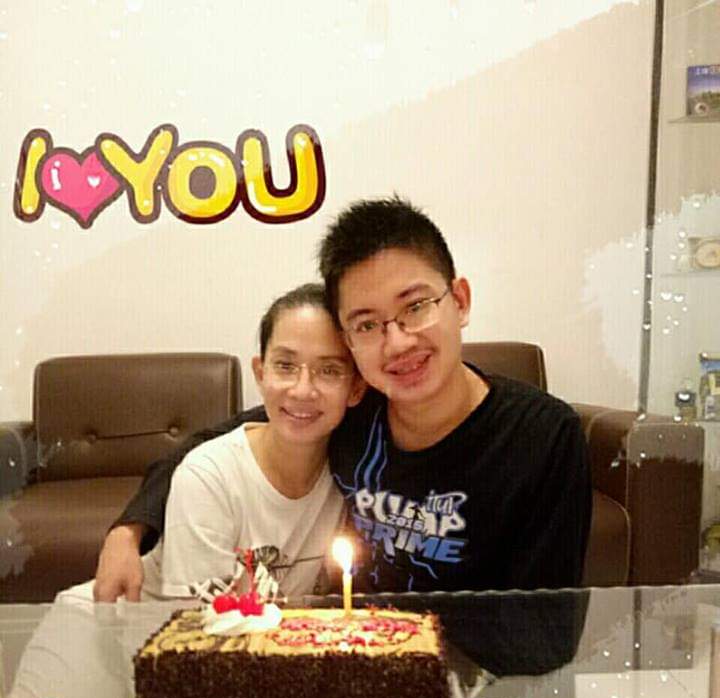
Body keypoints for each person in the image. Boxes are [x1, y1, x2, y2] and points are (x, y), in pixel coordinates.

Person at [94, 197, 591, 601]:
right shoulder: (357, 410)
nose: (397, 343)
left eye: (415, 307)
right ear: (351, 343)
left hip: (470, 684)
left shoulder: (540, 438)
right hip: (351, 662)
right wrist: (129, 529)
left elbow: (544, 625)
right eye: (368, 324)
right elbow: (219, 441)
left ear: (459, 301)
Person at [101, 282, 364, 600]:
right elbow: (201, 636)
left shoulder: (354, 468)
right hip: (121, 634)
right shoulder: (209, 475)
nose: (302, 389)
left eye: (330, 370)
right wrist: (128, 529)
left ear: (357, 388)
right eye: (285, 365)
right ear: (260, 371)